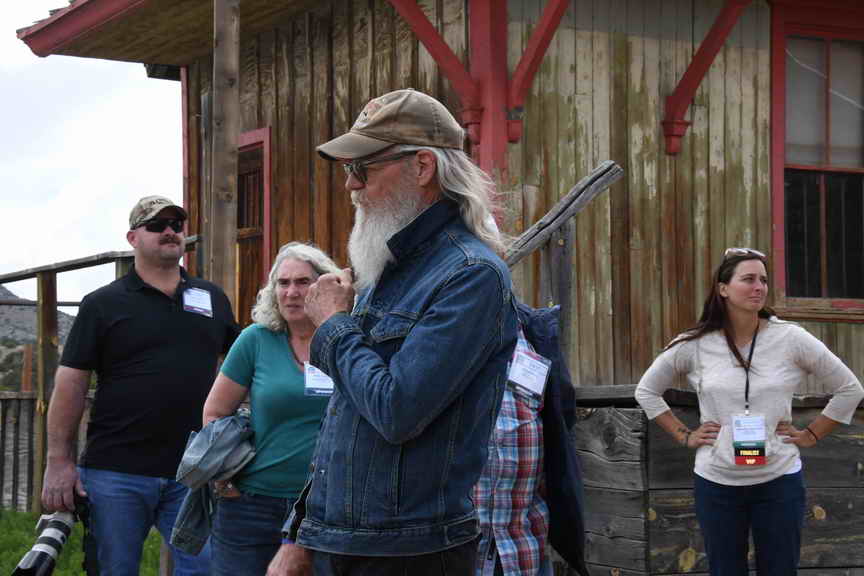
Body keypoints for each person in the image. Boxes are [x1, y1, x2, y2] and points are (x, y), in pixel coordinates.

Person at [267, 88, 519, 576]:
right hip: (348, 541)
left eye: (362, 168)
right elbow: (344, 421)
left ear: (422, 167)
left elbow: (397, 409)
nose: (350, 186)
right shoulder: (386, 269)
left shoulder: (471, 274)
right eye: (348, 170)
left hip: (410, 553)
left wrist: (334, 325)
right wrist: (300, 532)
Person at [41, 195, 239, 576]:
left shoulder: (212, 298)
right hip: (116, 473)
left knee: (206, 570)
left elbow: (242, 365)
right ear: (133, 238)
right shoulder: (102, 304)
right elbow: (71, 384)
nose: (169, 232)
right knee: (114, 569)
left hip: (193, 471)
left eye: (176, 225)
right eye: (156, 225)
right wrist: (59, 462)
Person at [635, 247, 864, 575]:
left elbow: (850, 388)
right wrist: (684, 435)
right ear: (723, 288)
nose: (759, 287)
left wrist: (812, 434)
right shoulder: (695, 344)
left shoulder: (790, 338)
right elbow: (646, 391)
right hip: (717, 483)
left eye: (764, 280)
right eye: (749, 279)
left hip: (779, 481)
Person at [201, 242, 339, 576]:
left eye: (303, 282)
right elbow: (215, 412)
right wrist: (224, 481)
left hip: (327, 508)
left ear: (324, 287)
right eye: (283, 282)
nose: (291, 292)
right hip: (251, 506)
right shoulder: (256, 340)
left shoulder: (344, 339)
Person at [475, 301, 589, 576]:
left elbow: (560, 422)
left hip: (525, 547)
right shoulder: (439, 329)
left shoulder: (532, 331)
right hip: (458, 549)